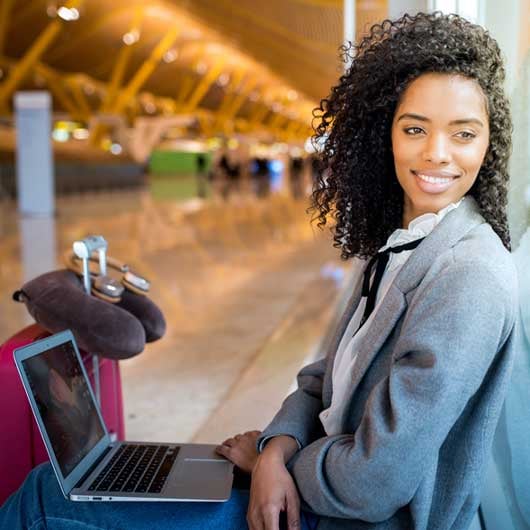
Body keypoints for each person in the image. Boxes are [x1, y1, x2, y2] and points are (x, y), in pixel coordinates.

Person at [0, 12, 520, 530]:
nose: (436, 153)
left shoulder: (467, 276)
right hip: (314, 481)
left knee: (46, 500)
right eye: (415, 129)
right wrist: (275, 449)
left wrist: (277, 463)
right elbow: (321, 381)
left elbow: (375, 484)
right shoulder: (402, 244)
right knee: (80, 484)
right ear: (382, 133)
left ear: (488, 144)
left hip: (352, 516)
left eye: (463, 134)